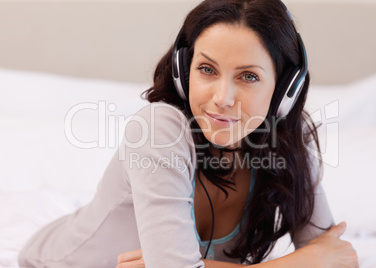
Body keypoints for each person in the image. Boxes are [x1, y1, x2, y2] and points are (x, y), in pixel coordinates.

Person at [18, 0, 358, 267]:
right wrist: (301, 263)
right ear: (184, 72)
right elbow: (319, 259)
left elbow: (338, 258)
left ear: (284, 89)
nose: (222, 98)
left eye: (248, 76)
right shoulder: (158, 128)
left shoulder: (287, 146)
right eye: (207, 69)